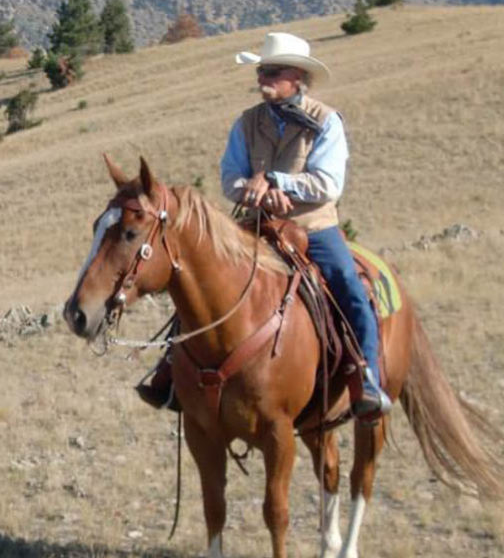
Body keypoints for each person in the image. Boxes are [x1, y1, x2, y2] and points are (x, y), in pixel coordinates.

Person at [136, 31, 391, 421]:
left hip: (313, 227)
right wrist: (252, 190)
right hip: (256, 227)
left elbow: (328, 183)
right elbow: (230, 177)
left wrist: (275, 181)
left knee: (348, 285)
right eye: (261, 71)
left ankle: (365, 376)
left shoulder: (326, 121)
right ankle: (171, 371)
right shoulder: (247, 122)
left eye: (272, 72)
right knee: (199, 285)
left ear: (297, 77)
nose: (262, 78)